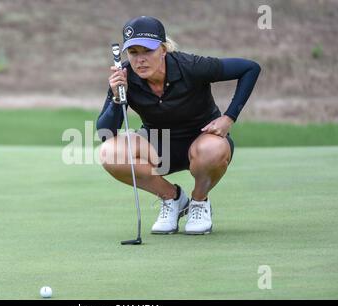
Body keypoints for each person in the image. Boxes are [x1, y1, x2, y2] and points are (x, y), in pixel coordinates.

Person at [96, 16, 261, 235]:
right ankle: (172, 198)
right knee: (110, 153)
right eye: (134, 52)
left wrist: (229, 117)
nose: (140, 60)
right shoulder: (124, 78)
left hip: (203, 141)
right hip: (158, 147)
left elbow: (250, 68)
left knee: (213, 149)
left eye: (148, 51)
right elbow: (106, 134)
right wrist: (117, 98)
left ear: (163, 49)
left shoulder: (191, 66)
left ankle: (199, 202)